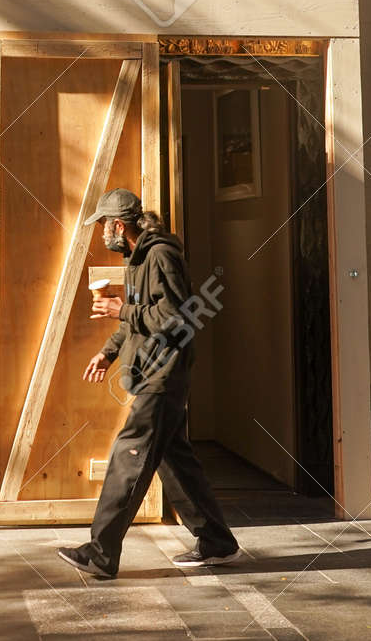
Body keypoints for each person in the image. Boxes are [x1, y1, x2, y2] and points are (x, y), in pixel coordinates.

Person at [57, 188, 241, 579]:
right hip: (154, 372)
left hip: (164, 373)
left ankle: (100, 553)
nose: (102, 234)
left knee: (129, 457)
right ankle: (216, 542)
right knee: (176, 463)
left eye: (104, 226)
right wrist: (108, 353)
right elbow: (139, 320)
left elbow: (176, 317)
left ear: (118, 225)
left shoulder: (160, 256)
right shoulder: (137, 258)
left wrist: (120, 308)